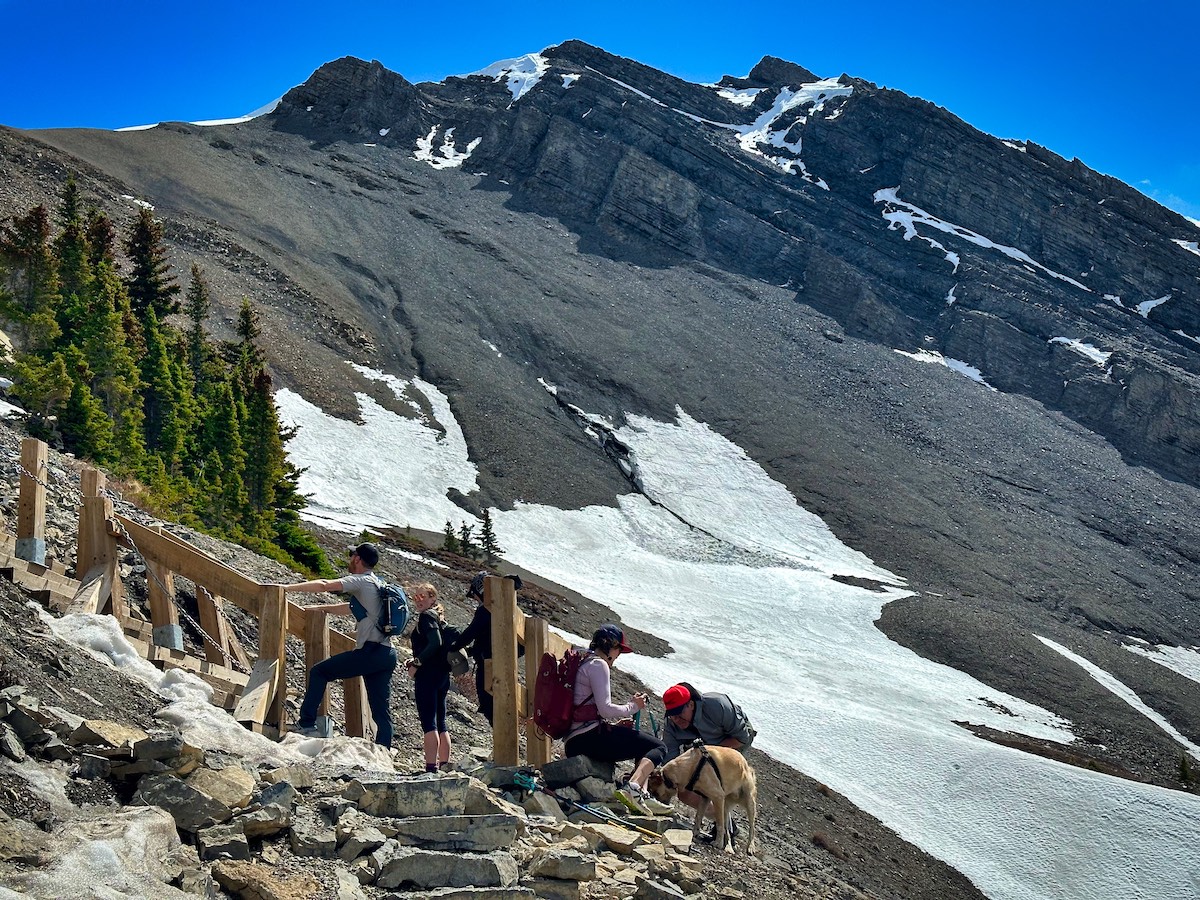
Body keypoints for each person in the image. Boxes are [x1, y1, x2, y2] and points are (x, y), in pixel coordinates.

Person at [281, 542, 398, 747]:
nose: (350, 560)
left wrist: (287, 588)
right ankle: (384, 750)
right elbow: (350, 608)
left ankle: (307, 724)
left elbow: (325, 585)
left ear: (358, 559)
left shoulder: (360, 581)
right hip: (387, 654)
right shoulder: (377, 584)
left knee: (320, 672)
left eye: (352, 556)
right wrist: (320, 608)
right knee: (380, 707)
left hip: (370, 651)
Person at [564, 624, 667, 814]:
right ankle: (634, 788)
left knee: (642, 743)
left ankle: (641, 794)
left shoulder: (585, 661)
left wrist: (614, 725)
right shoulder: (599, 664)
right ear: (610, 646)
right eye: (619, 649)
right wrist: (633, 707)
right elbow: (605, 709)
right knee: (658, 747)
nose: (618, 655)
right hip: (587, 738)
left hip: (577, 738)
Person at [661, 682, 756, 837]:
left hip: (734, 741)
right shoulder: (671, 725)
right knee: (685, 792)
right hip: (701, 751)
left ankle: (725, 829)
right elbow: (670, 761)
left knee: (719, 785)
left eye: (679, 713)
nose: (676, 719)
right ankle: (722, 820)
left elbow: (742, 738)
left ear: (691, 704)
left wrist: (707, 755)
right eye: (672, 714)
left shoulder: (717, 705)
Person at [452, 571, 523, 725]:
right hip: (507, 664)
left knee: (489, 705)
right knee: (503, 707)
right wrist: (473, 651)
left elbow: (471, 633)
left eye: (475, 595)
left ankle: (503, 746)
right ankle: (505, 745)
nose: (475, 599)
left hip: (488, 665)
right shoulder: (508, 608)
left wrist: (453, 647)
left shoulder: (486, 610)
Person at [405, 582, 454, 773]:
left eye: (423, 596)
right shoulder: (439, 617)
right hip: (442, 675)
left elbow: (435, 642)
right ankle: (444, 765)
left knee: (429, 722)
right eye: (416, 596)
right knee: (441, 720)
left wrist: (417, 663)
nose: (418, 600)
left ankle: (431, 768)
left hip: (427, 675)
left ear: (433, 598)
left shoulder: (426, 618)